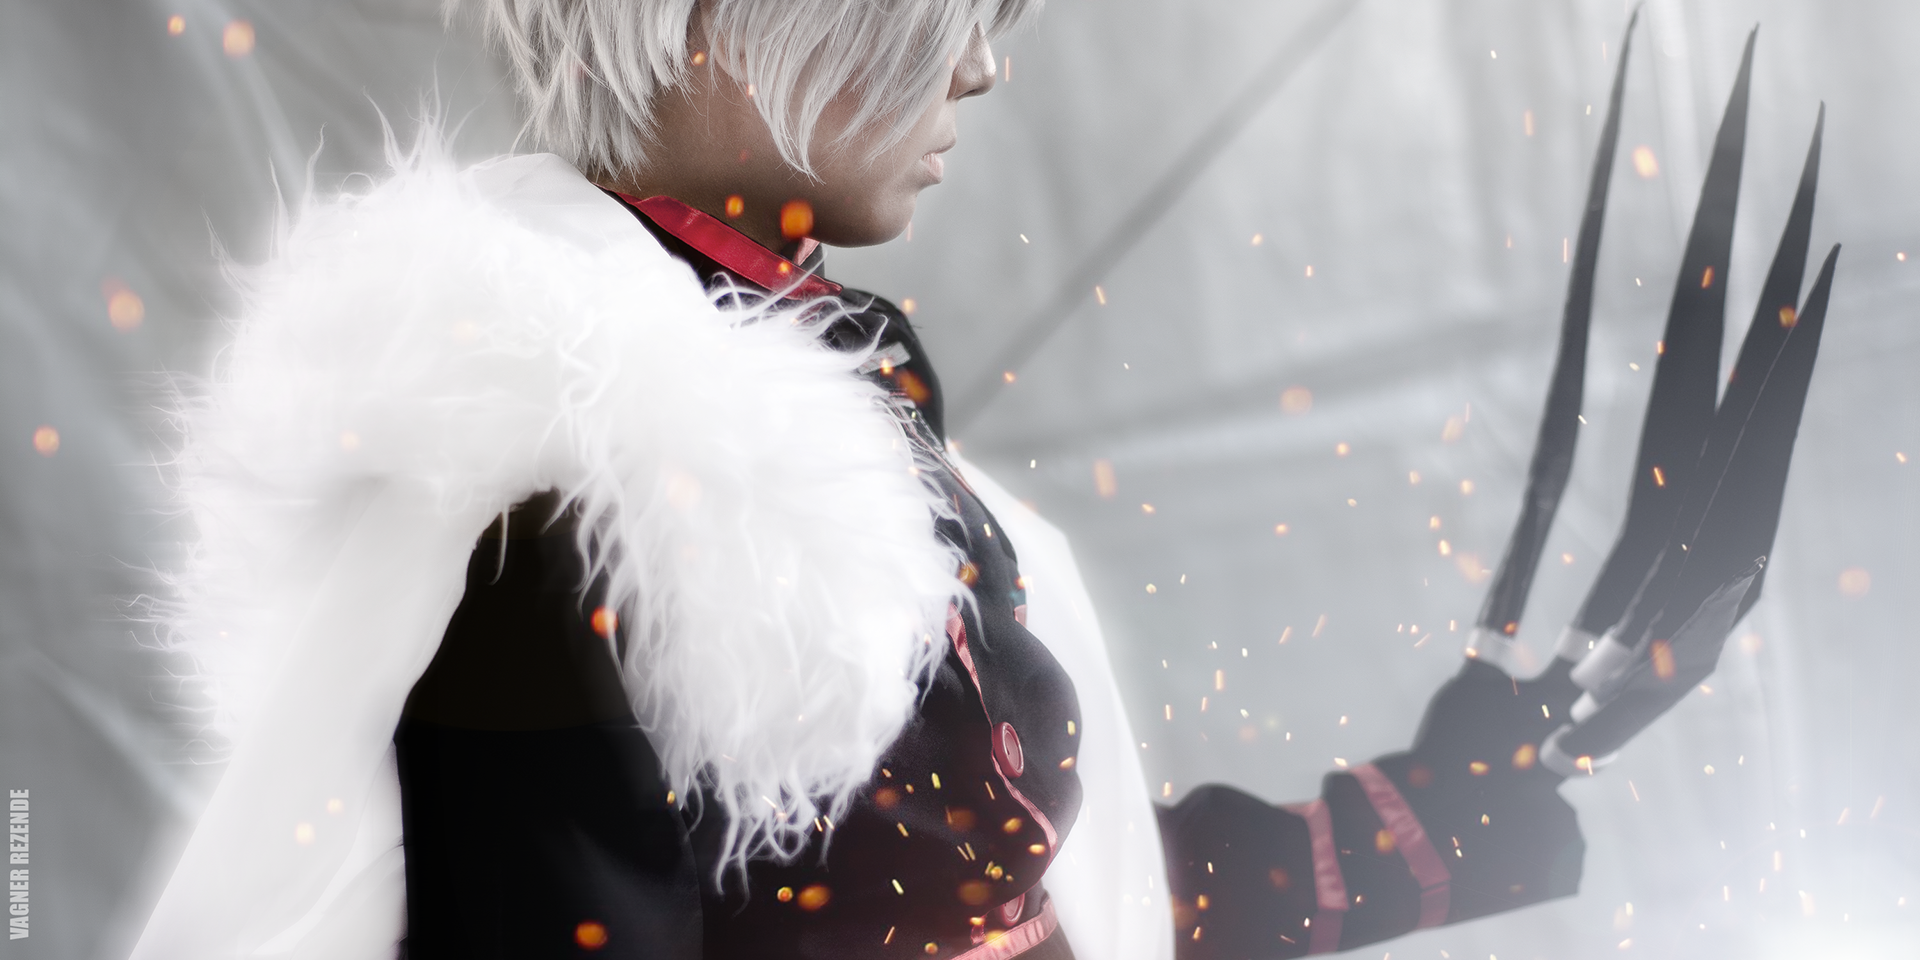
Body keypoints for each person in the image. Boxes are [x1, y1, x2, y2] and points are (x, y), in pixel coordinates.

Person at [129, 3, 1836, 959]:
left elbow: (1001, 892)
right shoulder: (582, 506)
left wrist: (1415, 818)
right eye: (951, 9)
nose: (982, 67)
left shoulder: (808, 398)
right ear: (723, 21)